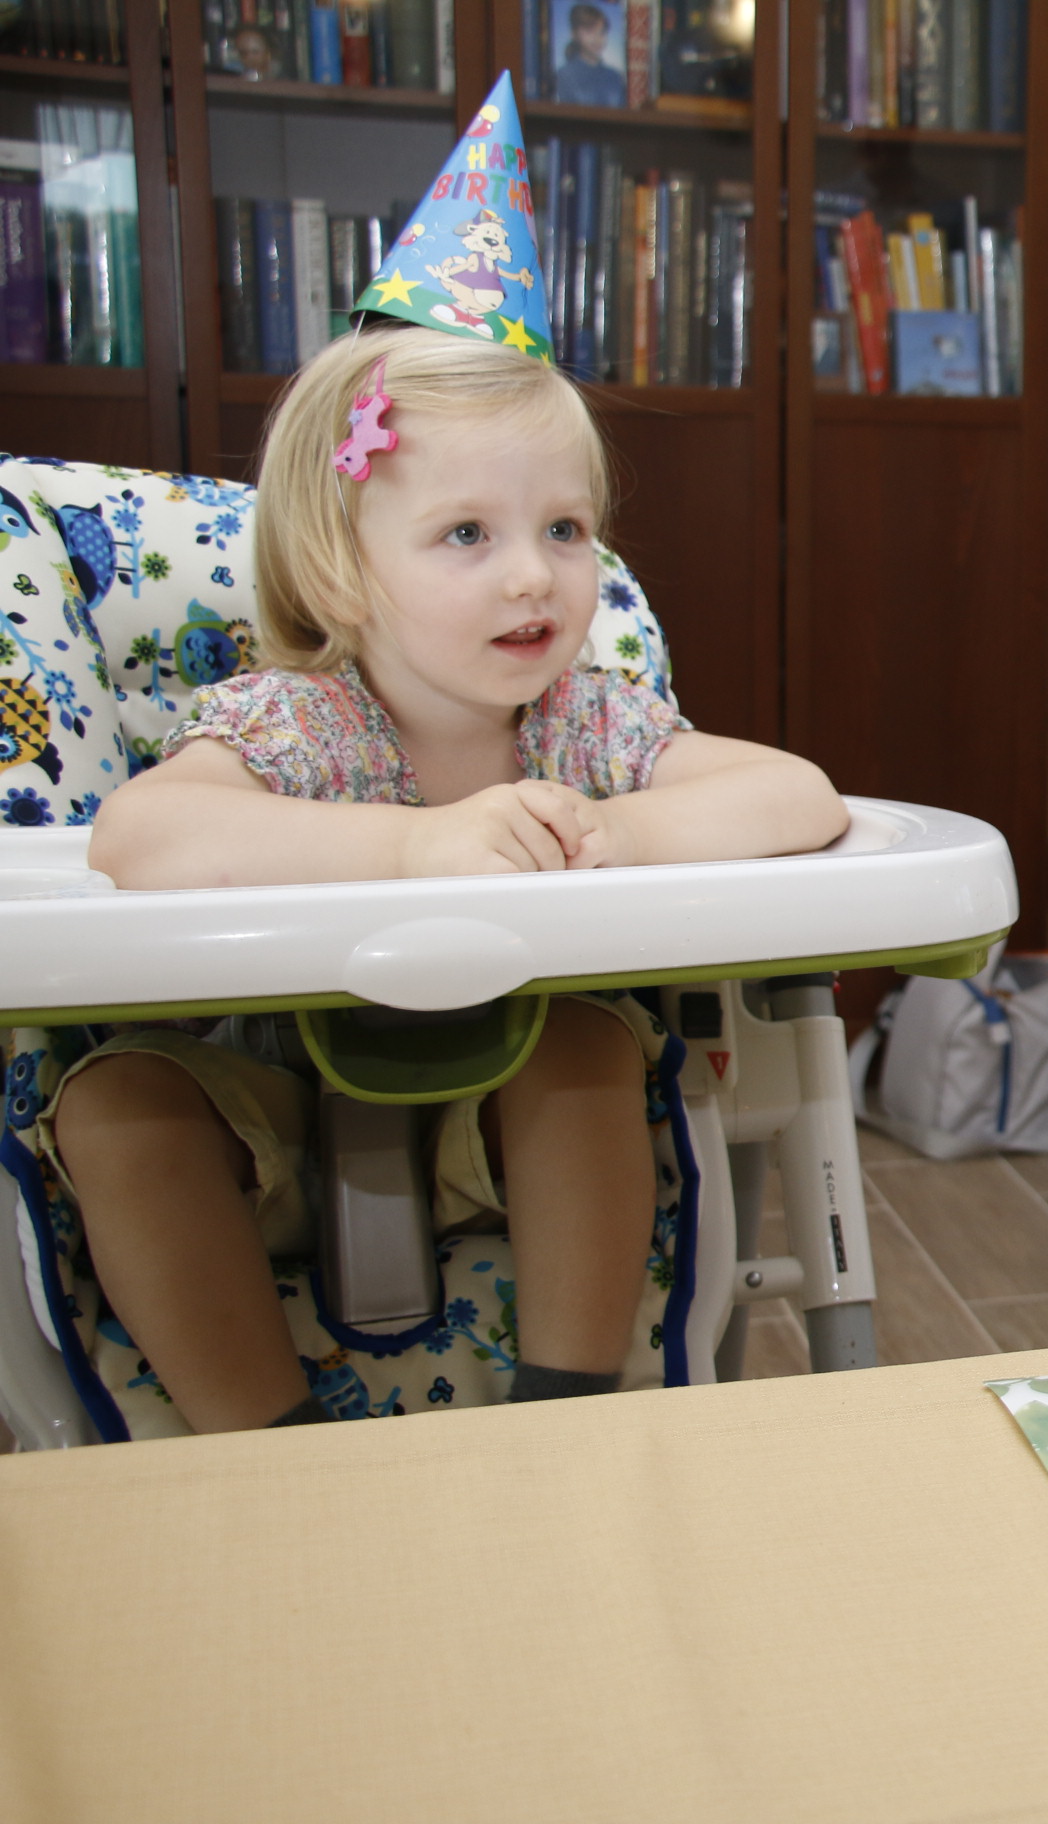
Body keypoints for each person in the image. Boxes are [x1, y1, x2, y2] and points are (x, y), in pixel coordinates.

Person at [46, 323, 848, 1431]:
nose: (533, 574)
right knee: (114, 1104)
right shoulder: (291, 721)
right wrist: (413, 846)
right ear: (338, 569)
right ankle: (268, 1452)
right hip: (270, 1127)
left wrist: (618, 827)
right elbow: (136, 838)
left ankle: (565, 1418)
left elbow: (801, 795)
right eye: (467, 533)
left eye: (565, 529)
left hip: (501, 1138)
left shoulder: (584, 724)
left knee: (583, 1046)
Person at [553, 3, 627, 109]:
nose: (597, 38)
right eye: (590, 31)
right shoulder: (564, 75)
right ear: (574, 34)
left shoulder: (615, 77)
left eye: (602, 32)